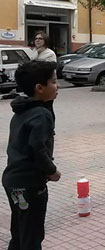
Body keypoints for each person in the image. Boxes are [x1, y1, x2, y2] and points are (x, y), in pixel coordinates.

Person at [2, 61, 61, 250]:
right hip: (30, 184)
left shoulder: (22, 110)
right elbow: (37, 149)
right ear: (39, 88)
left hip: (13, 181)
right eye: (53, 82)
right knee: (32, 236)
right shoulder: (41, 115)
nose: (57, 85)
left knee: (20, 232)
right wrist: (52, 171)